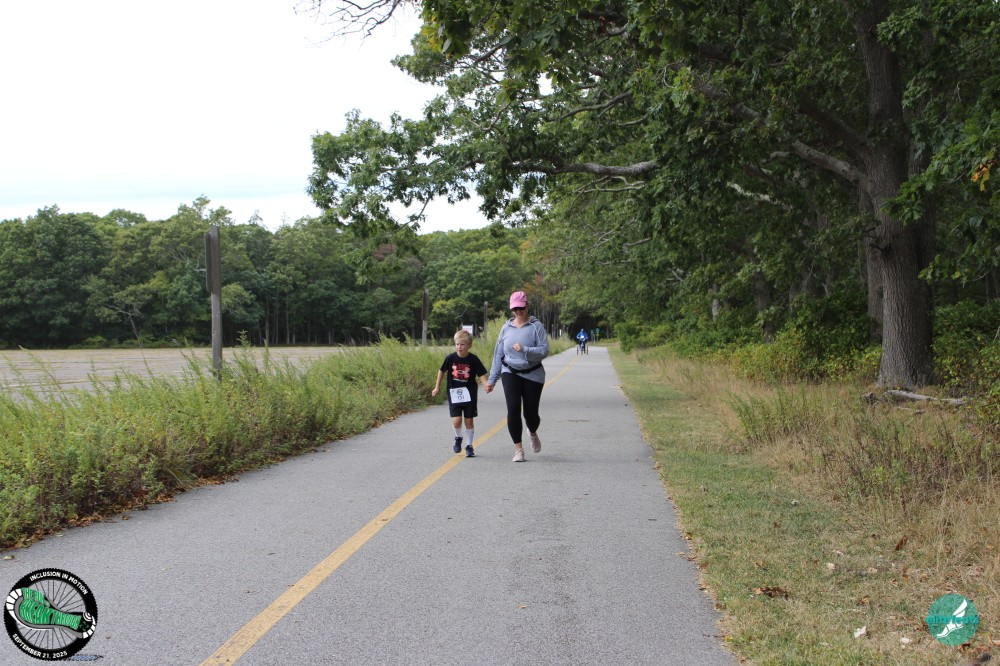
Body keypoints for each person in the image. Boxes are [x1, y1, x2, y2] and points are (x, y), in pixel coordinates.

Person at [485, 291, 550, 462]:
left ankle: (532, 432)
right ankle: (518, 450)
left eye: (521, 308)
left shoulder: (536, 326)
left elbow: (544, 350)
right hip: (510, 372)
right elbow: (498, 354)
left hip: (533, 373)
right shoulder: (506, 328)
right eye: (515, 309)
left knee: (531, 415)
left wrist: (525, 350)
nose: (518, 311)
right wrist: (492, 379)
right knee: (513, 409)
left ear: (527, 306)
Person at [432, 329, 488, 457]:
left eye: (462, 344)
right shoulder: (450, 358)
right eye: (457, 344)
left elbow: (481, 374)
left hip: (470, 394)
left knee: (469, 421)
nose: (459, 347)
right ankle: (458, 437)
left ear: (469, 345)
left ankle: (469, 446)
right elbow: (441, 371)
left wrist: (486, 384)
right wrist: (437, 387)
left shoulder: (473, 359)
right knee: (457, 420)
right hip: (454, 393)